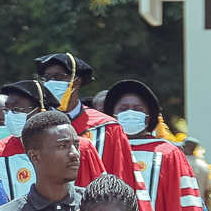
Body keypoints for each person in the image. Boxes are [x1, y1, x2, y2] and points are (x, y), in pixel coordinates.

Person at [103, 77, 211, 211]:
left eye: (138, 108)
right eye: (123, 108)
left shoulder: (168, 153)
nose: (130, 112)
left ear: (149, 115)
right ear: (112, 114)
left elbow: (188, 206)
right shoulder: (104, 150)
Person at [33, 51, 140, 194]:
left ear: (76, 81)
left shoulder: (107, 128)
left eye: (58, 77)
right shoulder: (36, 127)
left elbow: (122, 175)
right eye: (47, 78)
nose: (51, 82)